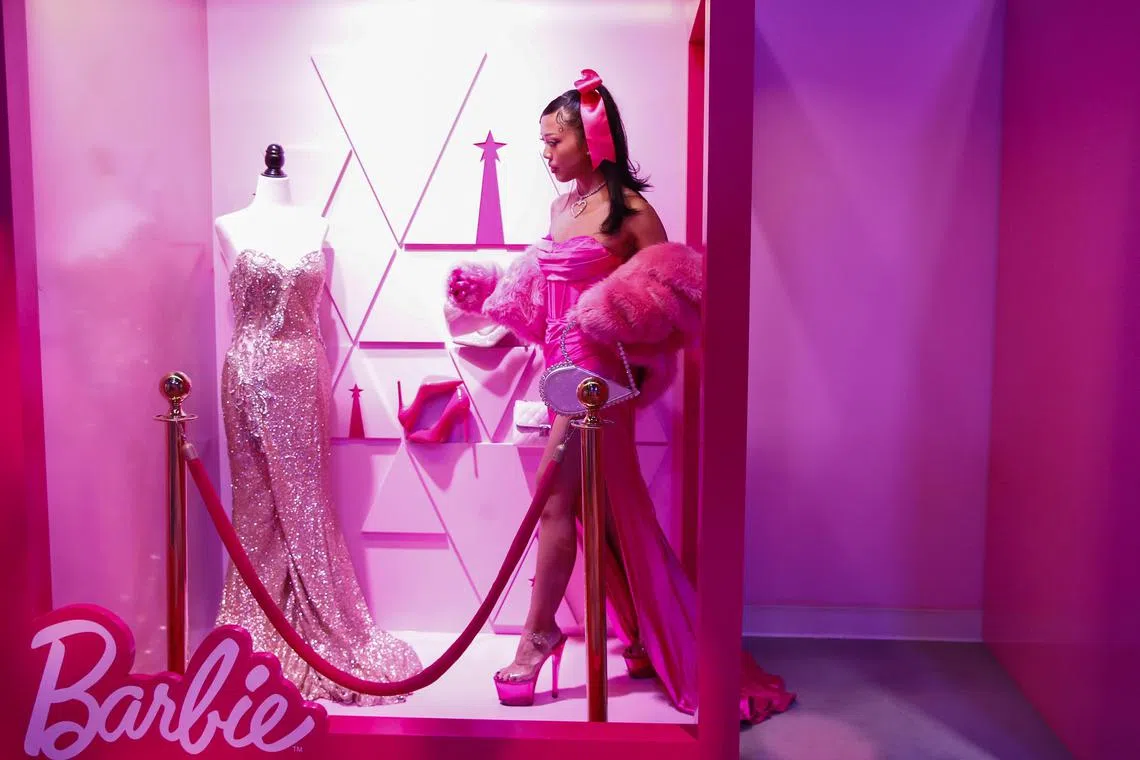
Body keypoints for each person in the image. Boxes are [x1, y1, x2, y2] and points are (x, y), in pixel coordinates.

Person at [447, 70, 794, 722]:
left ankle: (538, 636)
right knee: (603, 510)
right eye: (542, 141)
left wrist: (613, 312)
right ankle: (639, 632)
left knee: (554, 500)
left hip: (600, 381)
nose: (546, 152)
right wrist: (495, 290)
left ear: (591, 140)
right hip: (557, 371)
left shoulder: (631, 212)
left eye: (554, 140)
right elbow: (544, 291)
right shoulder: (561, 209)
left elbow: (677, 295)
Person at [214, 147, 423, 705]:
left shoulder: (315, 225)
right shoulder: (228, 224)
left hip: (303, 374)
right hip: (247, 375)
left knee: (308, 502)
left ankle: (323, 622)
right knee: (254, 505)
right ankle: (254, 627)